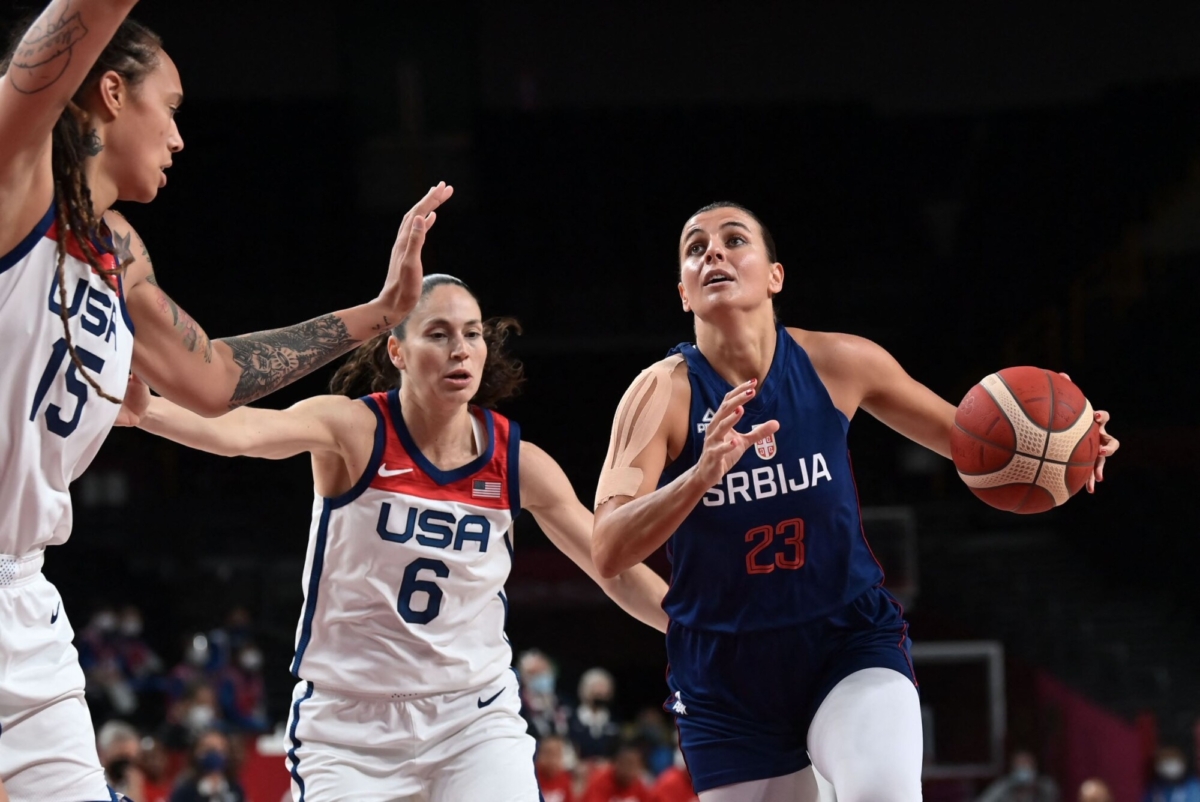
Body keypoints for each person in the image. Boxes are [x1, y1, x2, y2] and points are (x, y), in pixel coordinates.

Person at [0, 1, 451, 797]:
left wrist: (379, 314)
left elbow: (212, 379)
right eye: (168, 108)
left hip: (23, 596)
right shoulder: (16, 171)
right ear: (109, 90)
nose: (178, 138)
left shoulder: (118, 251)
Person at [591, 202, 1120, 802]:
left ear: (774, 276)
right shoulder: (660, 394)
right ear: (683, 293)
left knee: (882, 794)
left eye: (734, 239)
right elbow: (607, 548)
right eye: (694, 247)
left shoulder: (839, 362)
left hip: (844, 639)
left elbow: (978, 446)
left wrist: (1067, 445)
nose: (712, 252)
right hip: (725, 675)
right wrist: (699, 475)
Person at [126, 266, 671, 800]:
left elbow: (612, 567)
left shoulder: (518, 463)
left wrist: (707, 630)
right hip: (349, 723)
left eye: (473, 334)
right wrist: (147, 408)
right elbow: (241, 432)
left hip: (472, 717)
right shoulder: (354, 430)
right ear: (397, 351)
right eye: (438, 333)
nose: (461, 348)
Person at [581, 741, 654, 802]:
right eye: (626, 764)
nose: (629, 770)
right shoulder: (599, 781)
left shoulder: (639, 785)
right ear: (616, 763)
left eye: (634, 765)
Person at [976, 749, 1059, 802]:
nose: (1023, 769)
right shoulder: (1003, 786)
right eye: (1020, 765)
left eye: (1026, 764)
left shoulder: (1045, 786)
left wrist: (1034, 786)